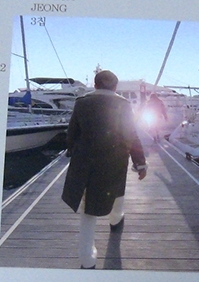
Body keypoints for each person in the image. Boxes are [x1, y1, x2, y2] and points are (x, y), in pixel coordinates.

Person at [61, 70, 147, 269]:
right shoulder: (123, 104)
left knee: (88, 211)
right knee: (116, 196)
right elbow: (131, 135)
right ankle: (116, 221)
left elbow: (72, 133)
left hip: (86, 165)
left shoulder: (82, 103)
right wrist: (140, 163)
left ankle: (87, 260)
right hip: (114, 162)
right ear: (115, 87)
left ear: (95, 84)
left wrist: (73, 151)